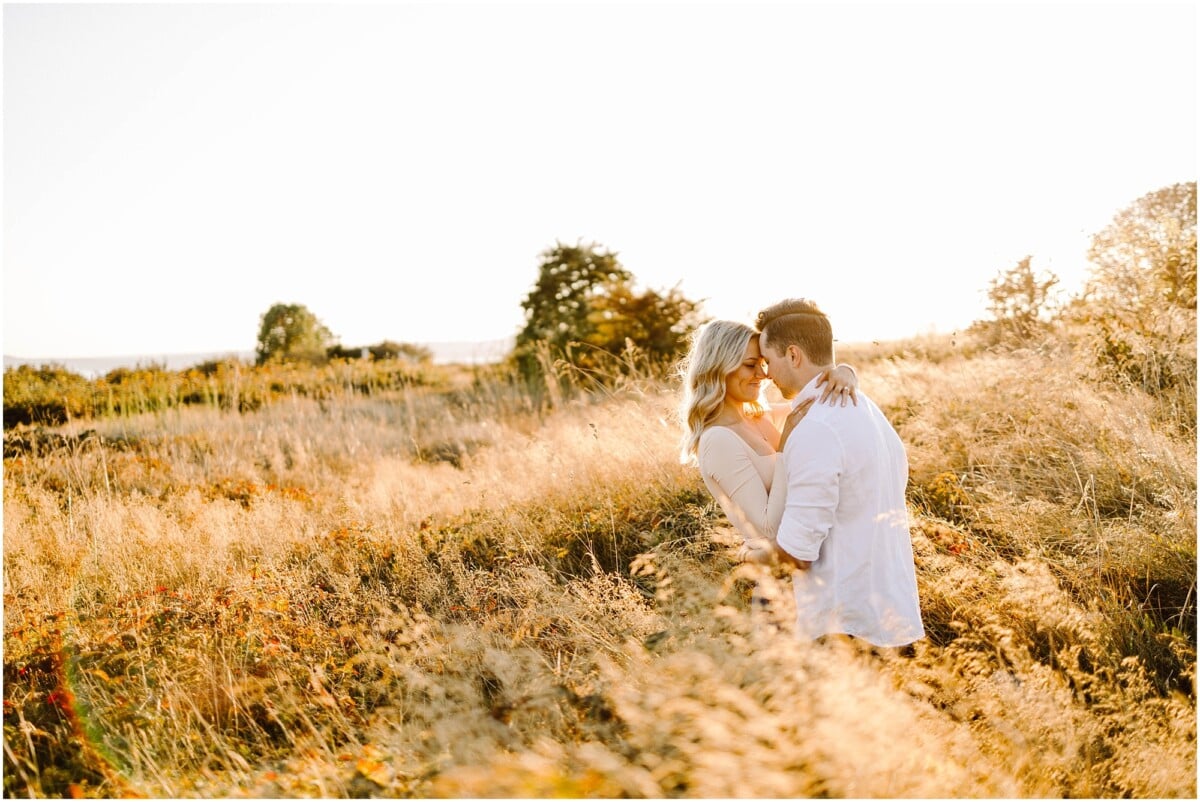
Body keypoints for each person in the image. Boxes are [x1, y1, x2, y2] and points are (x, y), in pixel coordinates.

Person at [756, 298, 924, 648]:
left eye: (768, 361)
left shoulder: (817, 427)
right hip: (893, 614)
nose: (766, 374)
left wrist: (748, 554)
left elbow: (798, 553)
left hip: (845, 626)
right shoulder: (867, 409)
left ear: (793, 354)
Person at [678, 319, 859, 569]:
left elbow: (817, 399)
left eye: (763, 364)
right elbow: (768, 527)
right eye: (751, 365)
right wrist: (784, 447)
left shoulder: (761, 416)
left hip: (809, 570)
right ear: (719, 368)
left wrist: (845, 371)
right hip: (775, 584)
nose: (763, 375)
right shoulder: (717, 440)